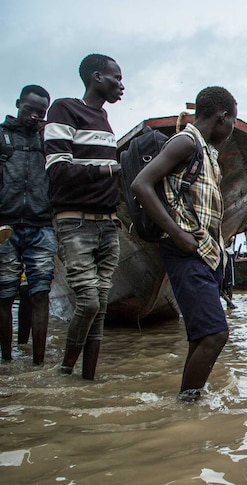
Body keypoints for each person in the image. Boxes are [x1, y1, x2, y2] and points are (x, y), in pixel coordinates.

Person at [131, 86, 237, 402]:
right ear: (223, 117)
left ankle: (188, 406)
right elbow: (141, 184)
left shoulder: (206, 152)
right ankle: (186, 408)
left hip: (206, 254)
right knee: (215, 335)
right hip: (185, 252)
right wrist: (177, 234)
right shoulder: (186, 143)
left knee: (200, 337)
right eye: (232, 121)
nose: (231, 129)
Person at [44, 54, 124, 379]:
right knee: (89, 302)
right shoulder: (64, 110)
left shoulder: (104, 119)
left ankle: (88, 381)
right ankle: (65, 370)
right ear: (96, 77)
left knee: (100, 307)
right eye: (116, 77)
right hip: (75, 223)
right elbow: (57, 169)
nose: (121, 84)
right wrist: (107, 169)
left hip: (107, 225)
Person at [0, 84, 55, 366]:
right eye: (29, 109)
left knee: (40, 293)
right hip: (5, 226)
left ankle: (39, 363)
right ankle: (7, 360)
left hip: (41, 225)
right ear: (18, 103)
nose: (34, 116)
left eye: (40, 112)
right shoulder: (2, 136)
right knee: (5, 295)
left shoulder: (49, 140)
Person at [221, 236, 238, 310]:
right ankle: (229, 303)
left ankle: (229, 303)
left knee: (229, 283)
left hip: (227, 252)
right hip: (223, 253)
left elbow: (230, 239)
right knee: (224, 282)